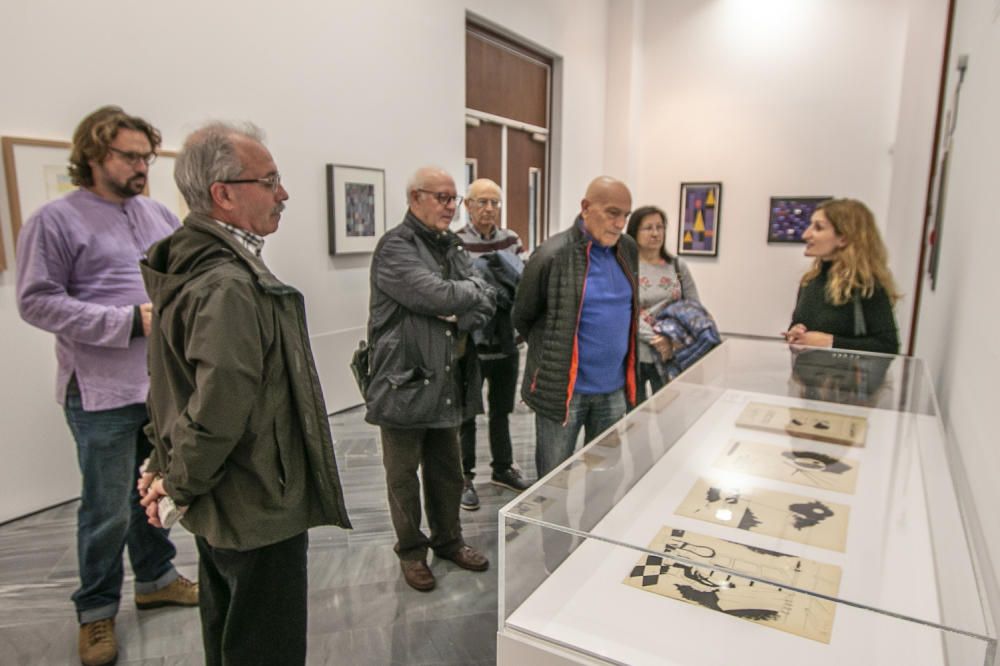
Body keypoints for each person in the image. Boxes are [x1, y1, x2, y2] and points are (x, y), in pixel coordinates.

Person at [137, 122, 351, 665]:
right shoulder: (227, 284)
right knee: (263, 643)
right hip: (255, 498)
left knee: (230, 626)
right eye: (270, 180)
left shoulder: (191, 267)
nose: (283, 193)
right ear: (223, 194)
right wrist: (176, 481)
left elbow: (169, 384)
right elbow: (216, 406)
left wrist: (165, 469)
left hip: (226, 495)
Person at [15, 106, 195, 666]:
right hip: (98, 392)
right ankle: (95, 612)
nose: (143, 166)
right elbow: (35, 300)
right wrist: (125, 322)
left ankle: (156, 577)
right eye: (130, 156)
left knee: (152, 492)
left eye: (147, 156)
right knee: (105, 509)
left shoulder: (159, 213)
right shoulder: (55, 219)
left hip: (156, 387)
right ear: (94, 155)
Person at [365, 167, 497, 591]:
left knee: (447, 472)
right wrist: (456, 296)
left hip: (447, 379)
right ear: (414, 198)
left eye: (453, 199)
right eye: (441, 197)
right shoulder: (394, 248)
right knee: (403, 477)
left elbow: (487, 297)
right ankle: (411, 551)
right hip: (403, 382)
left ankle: (448, 541)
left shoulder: (453, 245)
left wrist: (457, 307)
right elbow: (435, 293)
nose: (449, 206)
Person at [513, 176, 639, 478]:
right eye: (612, 213)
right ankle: (551, 530)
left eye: (626, 215)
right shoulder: (551, 254)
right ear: (585, 208)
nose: (620, 223)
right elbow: (523, 317)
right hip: (563, 394)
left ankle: (590, 528)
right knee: (553, 484)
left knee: (603, 479)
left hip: (613, 392)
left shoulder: (628, 249)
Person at [455, 178, 530, 510]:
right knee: (466, 414)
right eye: (482, 202)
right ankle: (463, 477)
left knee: (502, 411)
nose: (489, 209)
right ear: (468, 205)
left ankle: (502, 468)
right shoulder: (455, 242)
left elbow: (524, 282)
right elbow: (455, 288)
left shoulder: (511, 239)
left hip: (506, 340)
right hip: (471, 343)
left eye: (494, 203)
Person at [783, 198, 900, 353]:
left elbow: (888, 346)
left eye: (818, 228)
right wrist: (795, 333)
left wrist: (830, 342)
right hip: (805, 374)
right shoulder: (810, 281)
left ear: (843, 238)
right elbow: (799, 323)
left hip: (846, 376)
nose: (806, 234)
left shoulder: (866, 285)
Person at [625, 205, 701, 402]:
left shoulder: (677, 266)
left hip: (672, 354)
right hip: (636, 355)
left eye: (660, 227)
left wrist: (672, 338)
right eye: (648, 228)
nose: (655, 233)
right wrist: (657, 339)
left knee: (671, 414)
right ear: (634, 232)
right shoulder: (626, 266)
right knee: (635, 418)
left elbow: (693, 307)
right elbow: (625, 311)